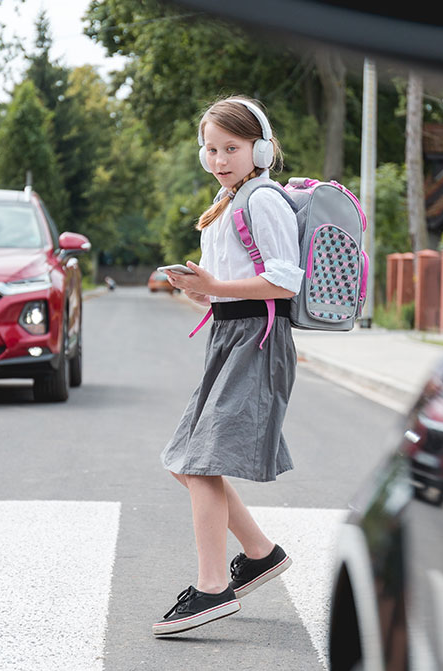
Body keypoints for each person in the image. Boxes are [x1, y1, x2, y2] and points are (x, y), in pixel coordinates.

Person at [153, 95, 302, 636]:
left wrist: (216, 287)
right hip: (229, 334)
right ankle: (259, 553)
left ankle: (213, 588)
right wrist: (204, 294)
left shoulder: (263, 199)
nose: (218, 158)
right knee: (184, 459)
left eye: (231, 148)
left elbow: (286, 280)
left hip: (258, 340)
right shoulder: (228, 200)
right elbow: (233, 284)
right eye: (211, 149)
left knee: (197, 463)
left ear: (259, 149)